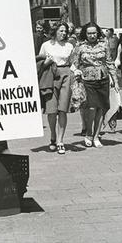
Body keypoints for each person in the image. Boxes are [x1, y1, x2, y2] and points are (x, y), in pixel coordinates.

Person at [70, 22, 119, 148]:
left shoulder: (104, 45)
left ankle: (97, 135)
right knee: (91, 107)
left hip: (103, 79)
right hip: (87, 80)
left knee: (101, 109)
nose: (92, 35)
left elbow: (109, 62)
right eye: (89, 33)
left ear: (97, 33)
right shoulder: (80, 47)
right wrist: (76, 72)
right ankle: (89, 133)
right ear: (85, 34)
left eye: (94, 33)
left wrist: (115, 80)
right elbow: (74, 63)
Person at [37, 23, 74, 154]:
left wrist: (76, 72)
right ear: (55, 31)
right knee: (52, 110)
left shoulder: (69, 46)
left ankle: (60, 141)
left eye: (65, 31)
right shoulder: (46, 45)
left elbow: (73, 62)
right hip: (50, 76)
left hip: (66, 74)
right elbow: (39, 62)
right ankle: (53, 136)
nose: (64, 33)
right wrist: (46, 62)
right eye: (61, 31)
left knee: (63, 109)